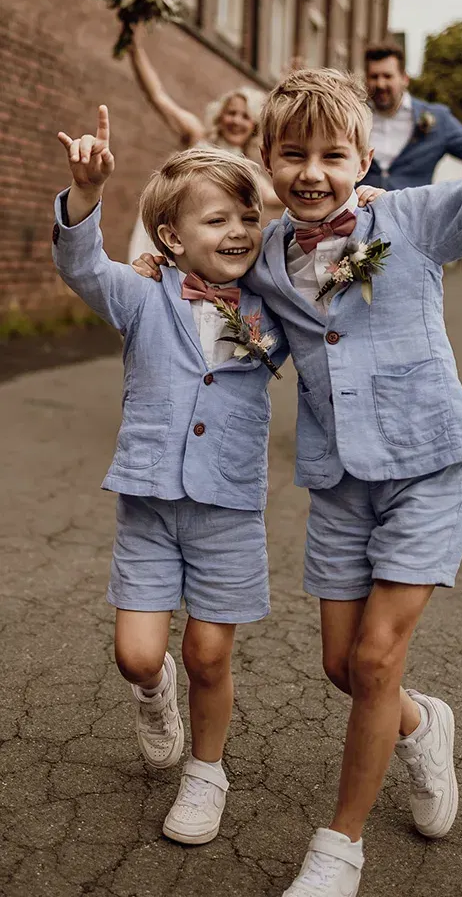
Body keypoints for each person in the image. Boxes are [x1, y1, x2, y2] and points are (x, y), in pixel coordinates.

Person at [133, 69, 462, 897]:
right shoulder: (270, 258)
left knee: (380, 658)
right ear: (270, 160)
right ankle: (424, 727)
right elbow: (234, 312)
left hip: (427, 465)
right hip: (340, 484)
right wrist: (157, 274)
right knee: (345, 669)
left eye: (331, 154)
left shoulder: (415, 221)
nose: (311, 172)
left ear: (364, 156)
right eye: (292, 155)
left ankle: (339, 847)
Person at [52, 106, 287, 846]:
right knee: (139, 654)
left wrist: (363, 207)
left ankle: (207, 773)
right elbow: (81, 265)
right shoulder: (142, 293)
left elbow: (324, 256)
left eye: (247, 215)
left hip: (228, 509)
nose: (239, 231)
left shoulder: (274, 306)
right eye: (216, 219)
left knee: (209, 654)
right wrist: (86, 198)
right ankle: (156, 700)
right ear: (170, 239)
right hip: (150, 504)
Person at [126, 30, 279, 261]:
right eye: (231, 113)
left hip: (198, 242)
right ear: (220, 116)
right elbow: (158, 96)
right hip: (168, 225)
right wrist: (135, 49)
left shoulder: (245, 168)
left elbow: (274, 197)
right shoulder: (196, 136)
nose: (236, 121)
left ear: (254, 126)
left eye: (245, 116)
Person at [363, 42, 462, 189]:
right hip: (360, 210)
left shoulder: (438, 119)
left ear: (404, 79)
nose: (380, 84)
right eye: (374, 77)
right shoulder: (354, 116)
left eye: (387, 76)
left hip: (414, 211)